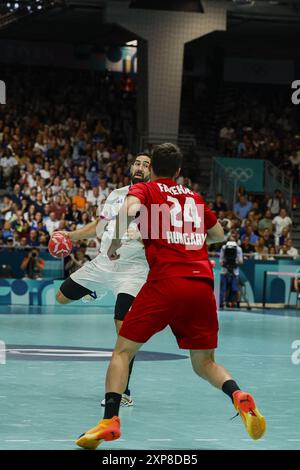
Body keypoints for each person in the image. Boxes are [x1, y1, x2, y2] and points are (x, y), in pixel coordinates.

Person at [76, 143, 266, 449]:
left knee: (123, 351)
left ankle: (109, 420)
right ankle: (238, 395)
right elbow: (220, 235)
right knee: (204, 363)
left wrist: (113, 245)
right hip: (201, 284)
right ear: (178, 172)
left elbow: (128, 211)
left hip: (166, 281)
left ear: (151, 170)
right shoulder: (194, 197)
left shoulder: (148, 191)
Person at [56, 153, 151, 407]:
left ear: (152, 171)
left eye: (146, 164)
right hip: (102, 263)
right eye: (138, 163)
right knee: (62, 297)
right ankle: (94, 290)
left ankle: (123, 393)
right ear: (131, 167)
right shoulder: (116, 194)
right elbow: (98, 227)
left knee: (124, 332)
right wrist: (70, 234)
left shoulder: (156, 200)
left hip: (133, 271)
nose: (140, 167)